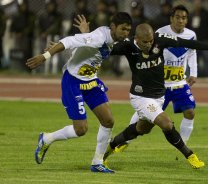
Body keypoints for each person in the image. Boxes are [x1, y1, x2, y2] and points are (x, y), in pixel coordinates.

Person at [102, 24, 208, 169]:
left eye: (151, 41)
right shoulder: (127, 46)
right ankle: (190, 155)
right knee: (167, 124)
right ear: (136, 39)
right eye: (145, 42)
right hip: (140, 97)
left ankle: (108, 149)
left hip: (159, 96)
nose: (149, 44)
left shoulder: (160, 40)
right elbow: (104, 50)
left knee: (140, 128)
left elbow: (185, 43)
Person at [26, 12, 132, 173]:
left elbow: (87, 45)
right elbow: (68, 41)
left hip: (91, 81)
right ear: (113, 27)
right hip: (73, 81)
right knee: (80, 129)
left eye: (128, 30)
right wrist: (45, 56)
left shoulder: (107, 38)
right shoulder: (98, 37)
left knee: (108, 121)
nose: (126, 33)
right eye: (123, 29)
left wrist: (85, 34)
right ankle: (47, 138)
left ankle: (97, 162)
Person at [116, 5, 199, 153]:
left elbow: (192, 53)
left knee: (190, 112)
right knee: (144, 116)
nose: (181, 20)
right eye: (178, 17)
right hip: (161, 84)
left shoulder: (191, 35)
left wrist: (194, 72)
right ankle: (125, 141)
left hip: (179, 83)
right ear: (171, 18)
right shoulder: (160, 33)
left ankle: (183, 144)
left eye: (184, 18)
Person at [187, 0, 208, 78]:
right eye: (196, 3)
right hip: (194, 42)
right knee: (194, 60)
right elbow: (187, 27)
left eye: (199, 3)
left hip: (204, 41)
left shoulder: (207, 14)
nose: (197, 4)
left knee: (207, 59)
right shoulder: (191, 15)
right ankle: (195, 76)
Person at [10, 0, 35, 71]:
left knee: (26, 53)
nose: (24, 7)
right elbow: (12, 26)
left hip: (27, 37)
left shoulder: (30, 15)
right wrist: (13, 32)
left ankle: (26, 69)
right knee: (17, 53)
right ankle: (16, 68)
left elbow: (31, 26)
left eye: (25, 5)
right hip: (17, 37)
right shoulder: (16, 15)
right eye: (22, 5)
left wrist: (23, 33)